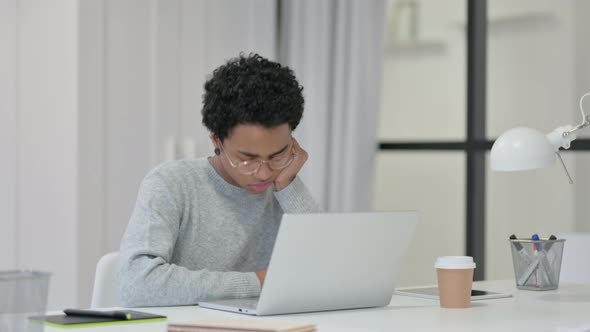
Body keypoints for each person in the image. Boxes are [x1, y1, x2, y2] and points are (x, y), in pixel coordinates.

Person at [117, 53, 321, 307]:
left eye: (278, 154)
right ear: (216, 140)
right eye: (247, 158)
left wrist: (290, 186)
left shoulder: (284, 189)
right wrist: (257, 282)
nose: (264, 173)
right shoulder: (170, 184)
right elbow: (136, 284)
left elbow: (327, 272)